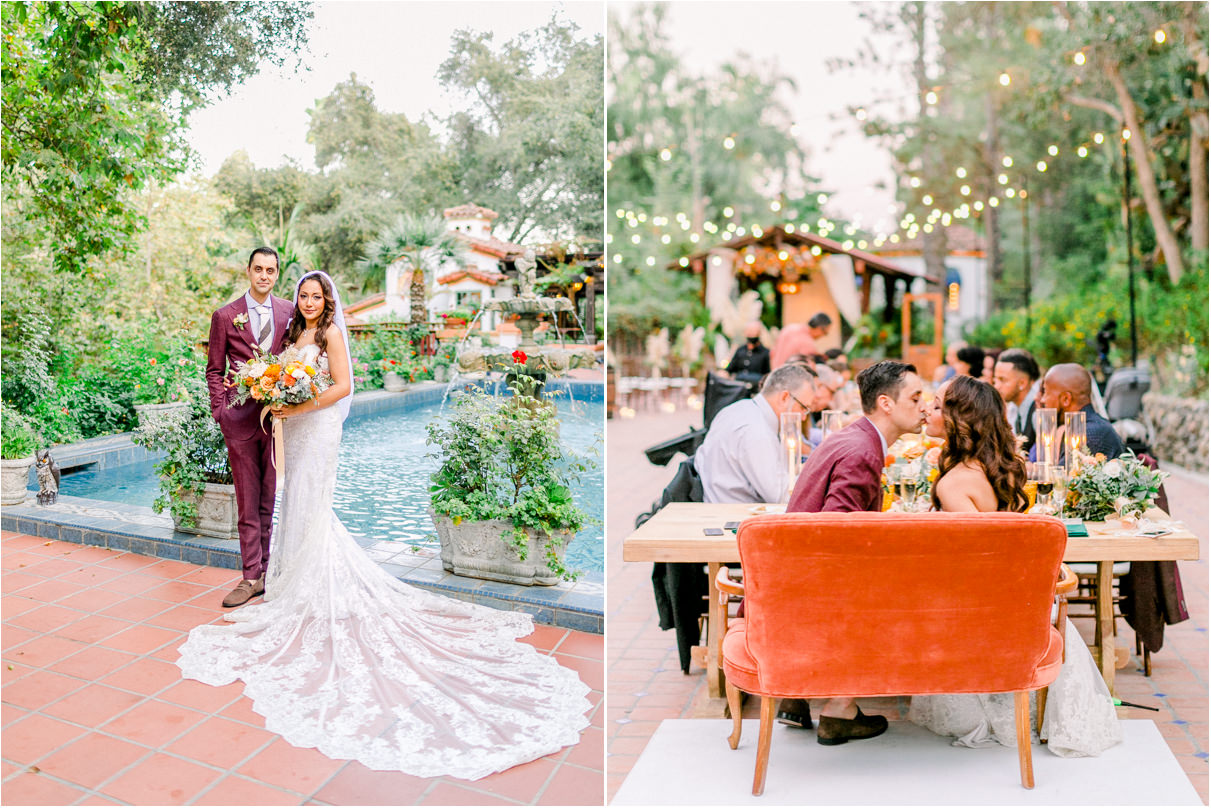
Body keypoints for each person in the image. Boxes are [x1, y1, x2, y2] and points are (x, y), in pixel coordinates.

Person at [179, 271, 590, 779]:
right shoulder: (292, 334)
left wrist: (298, 404)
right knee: (300, 503)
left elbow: (344, 386)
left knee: (311, 500)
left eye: (316, 295)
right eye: (303, 295)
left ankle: (311, 583)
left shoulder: (329, 332)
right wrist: (280, 400)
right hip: (298, 425)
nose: (308, 302)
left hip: (318, 424)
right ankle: (295, 581)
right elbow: (275, 373)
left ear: (328, 299)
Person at [909, 375, 1122, 757]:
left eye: (938, 405)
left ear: (960, 420)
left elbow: (974, 565)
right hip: (1019, 599)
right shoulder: (995, 467)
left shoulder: (955, 483)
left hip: (986, 610)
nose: (926, 409)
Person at [778, 360, 926, 743]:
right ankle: (839, 710)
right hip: (808, 588)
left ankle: (799, 696)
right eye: (915, 396)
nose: (924, 406)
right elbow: (838, 534)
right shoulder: (863, 451)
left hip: (789, 572)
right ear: (886, 403)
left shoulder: (853, 437)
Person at [206, 247, 296, 608]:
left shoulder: (289, 311)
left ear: (277, 275)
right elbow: (214, 369)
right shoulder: (226, 316)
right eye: (258, 269)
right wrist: (220, 411)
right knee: (246, 500)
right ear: (248, 271)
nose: (264, 275)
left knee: (269, 499)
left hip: (277, 422)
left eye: (270, 270)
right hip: (240, 420)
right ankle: (248, 577)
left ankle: (268, 573)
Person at [696, 363, 816, 505]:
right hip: (735, 517)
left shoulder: (738, 409)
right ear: (784, 397)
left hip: (725, 507)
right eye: (803, 408)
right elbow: (781, 497)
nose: (803, 417)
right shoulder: (756, 430)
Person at [1030, 363, 1125, 461]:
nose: (1042, 400)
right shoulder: (1086, 426)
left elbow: (1060, 475)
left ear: (1066, 399)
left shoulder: (1089, 433)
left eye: (1045, 392)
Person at [992, 348, 1041, 455]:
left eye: (1002, 380)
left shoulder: (1038, 410)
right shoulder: (1012, 407)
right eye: (995, 380)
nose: (996, 386)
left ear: (1022, 383)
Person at [725, 321, 771, 386]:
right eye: (749, 332)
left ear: (759, 333)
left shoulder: (765, 353)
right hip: (739, 387)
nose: (751, 335)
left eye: (754, 332)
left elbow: (767, 374)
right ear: (745, 333)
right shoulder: (740, 350)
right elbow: (730, 369)